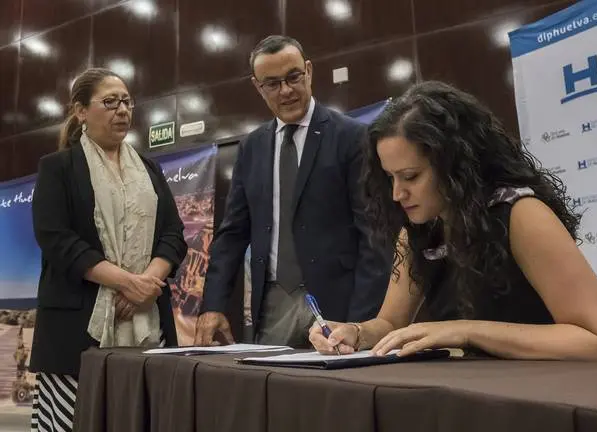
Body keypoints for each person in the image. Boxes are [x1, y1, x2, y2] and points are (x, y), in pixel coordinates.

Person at [309, 80, 597, 363]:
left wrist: (465, 331)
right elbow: (391, 325)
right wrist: (355, 332)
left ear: (454, 166)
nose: (396, 193)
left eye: (410, 176)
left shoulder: (520, 214)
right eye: (390, 177)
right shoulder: (418, 231)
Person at [194, 35, 390, 348]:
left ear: (309, 71)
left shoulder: (351, 137)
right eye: (272, 83)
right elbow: (231, 234)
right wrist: (214, 304)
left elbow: (374, 236)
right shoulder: (252, 148)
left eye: (293, 77)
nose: (285, 90)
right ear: (258, 87)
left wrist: (361, 322)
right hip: (272, 304)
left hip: (339, 300)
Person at [29, 68, 188, 430]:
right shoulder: (58, 167)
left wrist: (145, 283)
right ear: (81, 111)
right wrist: (124, 282)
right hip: (75, 334)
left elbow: (174, 234)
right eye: (110, 101)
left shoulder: (149, 169)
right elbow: (56, 238)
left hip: (148, 323)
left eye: (127, 101)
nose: (122, 110)